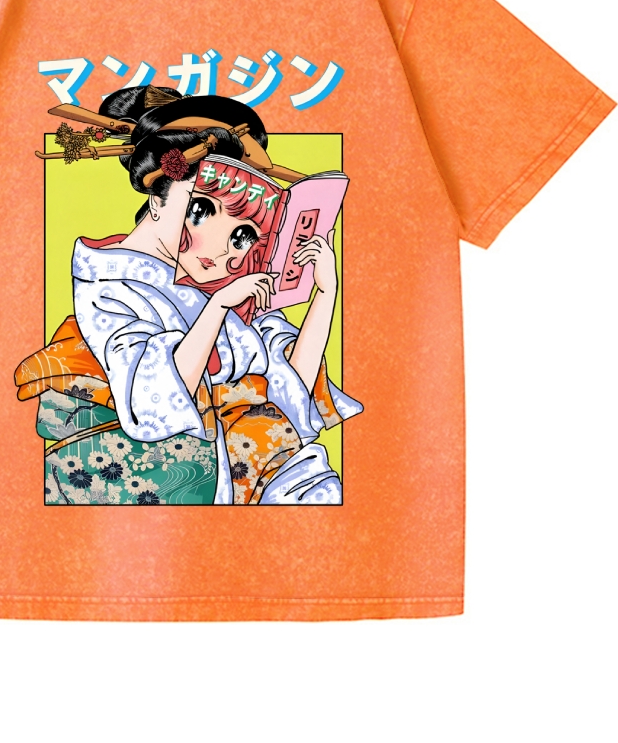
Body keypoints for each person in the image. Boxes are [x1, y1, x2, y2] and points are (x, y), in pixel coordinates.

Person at [18, 86, 362, 504]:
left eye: (242, 236)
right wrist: (217, 307)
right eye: (201, 210)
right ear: (157, 197)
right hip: (175, 480)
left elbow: (290, 396)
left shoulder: (223, 285)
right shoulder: (109, 287)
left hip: (265, 468)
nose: (221, 249)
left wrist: (325, 294)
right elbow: (154, 404)